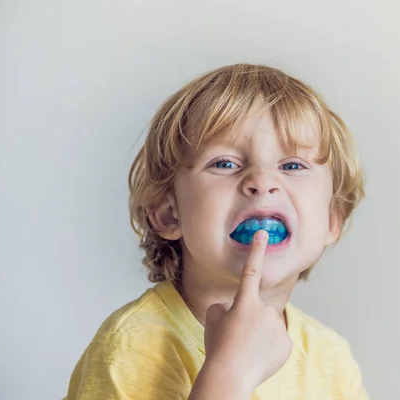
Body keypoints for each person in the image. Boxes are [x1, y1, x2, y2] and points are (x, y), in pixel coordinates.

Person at [65, 63, 368, 399]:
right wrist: (228, 373)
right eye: (225, 163)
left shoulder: (332, 359)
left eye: (292, 165)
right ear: (169, 214)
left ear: (332, 219)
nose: (262, 181)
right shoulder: (132, 346)